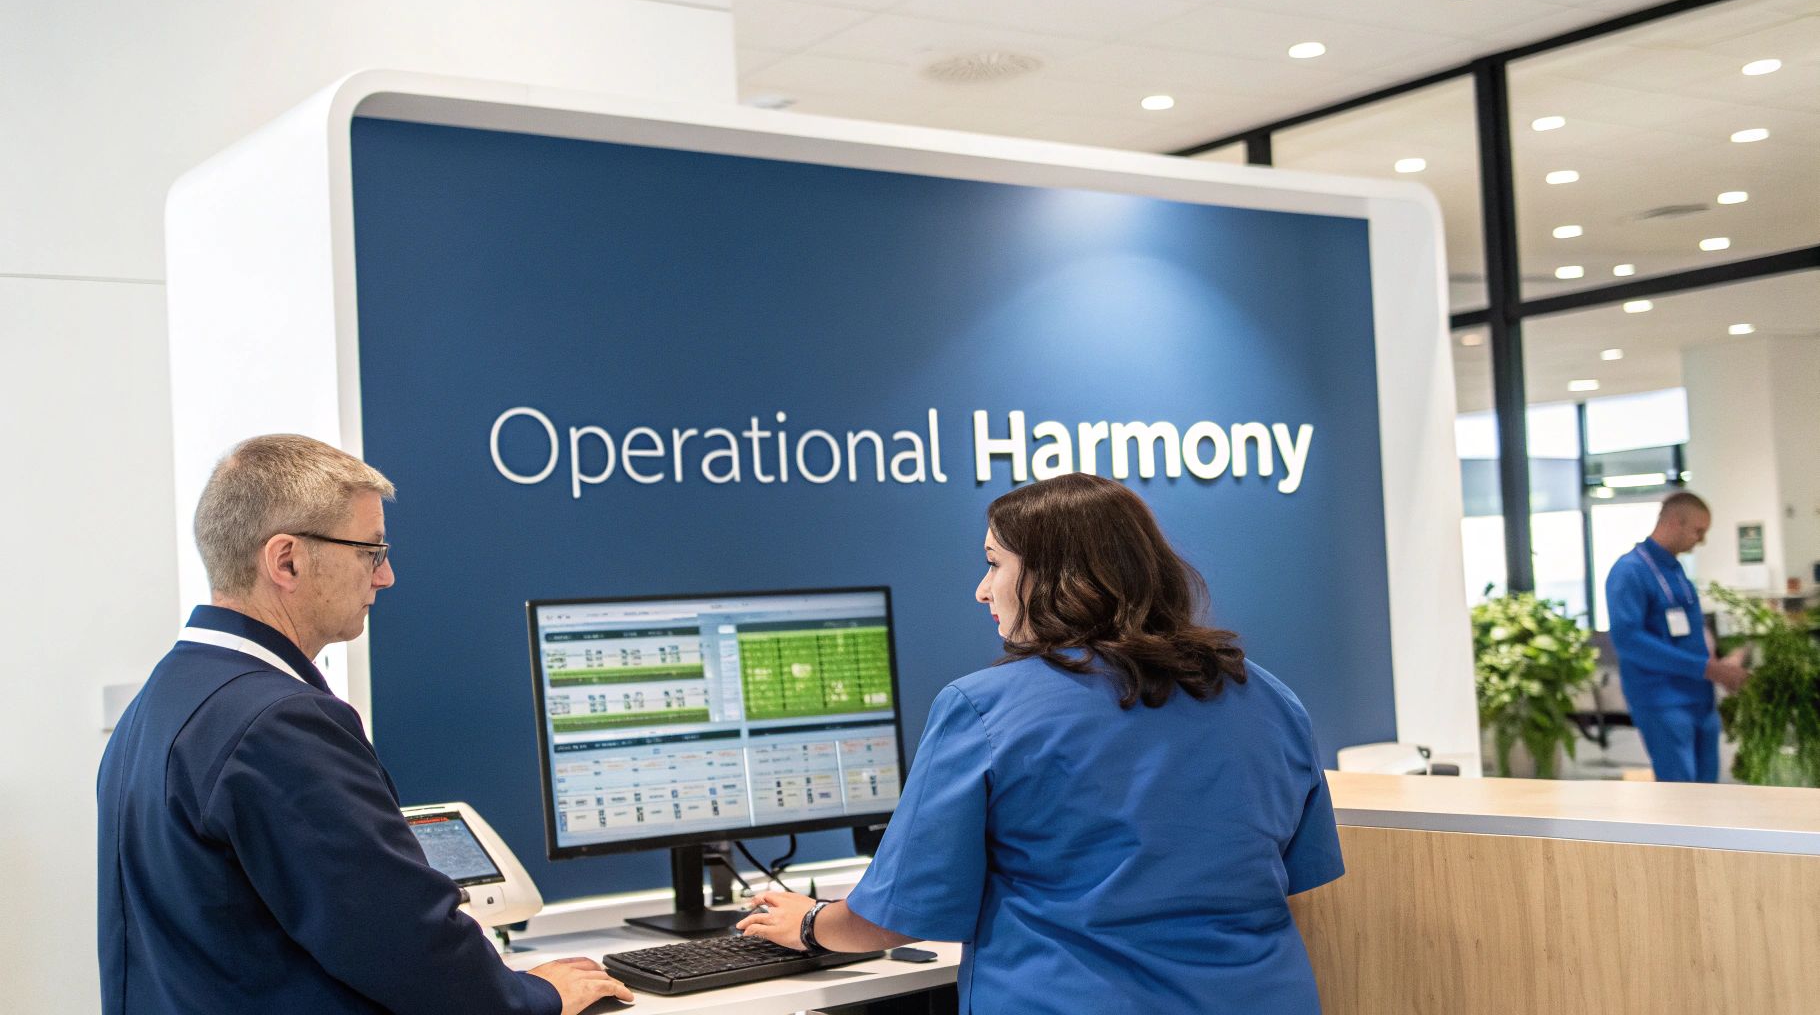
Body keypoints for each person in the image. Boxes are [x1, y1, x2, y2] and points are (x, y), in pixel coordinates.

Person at [738, 473, 1344, 1014]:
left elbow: (895, 915)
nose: (983, 590)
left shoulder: (985, 709)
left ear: (1054, 577)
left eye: (994, 564)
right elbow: (1296, 875)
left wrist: (813, 923)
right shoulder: (1268, 698)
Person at [96, 434, 631, 1015]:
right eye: (371, 552)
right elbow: (405, 943)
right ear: (287, 560)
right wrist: (536, 994)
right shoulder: (278, 723)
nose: (387, 577)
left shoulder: (165, 698)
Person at [1604, 491, 1747, 783]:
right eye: (1698, 531)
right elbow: (1629, 641)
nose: (1701, 541)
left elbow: (1691, 630)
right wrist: (1708, 669)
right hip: (1662, 699)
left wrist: (1722, 662)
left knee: (1707, 787)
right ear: (1675, 522)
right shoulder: (1629, 571)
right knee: (1680, 791)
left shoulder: (1675, 570)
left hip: (1699, 696)